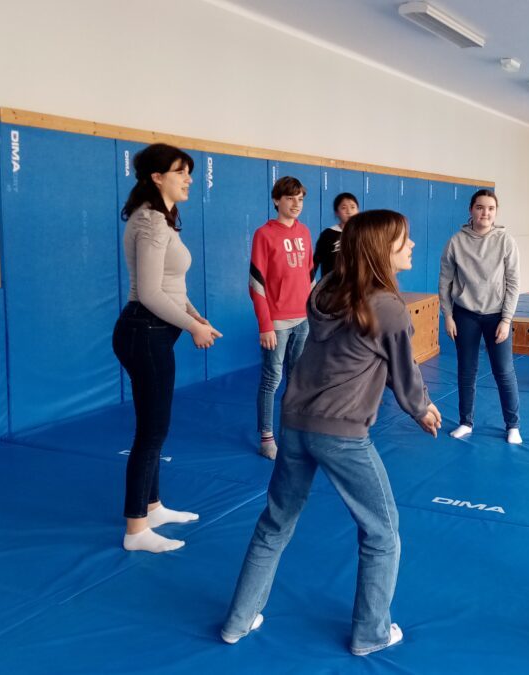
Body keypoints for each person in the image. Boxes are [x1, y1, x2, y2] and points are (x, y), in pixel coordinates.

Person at [221, 209, 442, 655]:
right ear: (383, 249)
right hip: (341, 434)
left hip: (296, 423)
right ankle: (371, 633)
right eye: (404, 240)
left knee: (274, 523)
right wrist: (423, 409)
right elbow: (405, 371)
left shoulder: (324, 290)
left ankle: (238, 621)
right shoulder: (386, 306)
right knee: (382, 533)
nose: (413, 245)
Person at [114, 143, 221, 554]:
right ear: (157, 177)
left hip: (157, 329)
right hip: (145, 330)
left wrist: (197, 316)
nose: (189, 179)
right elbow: (150, 294)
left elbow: (174, 288)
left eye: (188, 172)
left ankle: (152, 506)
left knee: (155, 427)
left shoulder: (162, 219)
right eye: (180, 171)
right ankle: (136, 529)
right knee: (152, 431)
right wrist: (193, 326)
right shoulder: (151, 224)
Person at [438, 189, 522, 444]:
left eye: (490, 208)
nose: (485, 213)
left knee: (504, 371)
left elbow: (513, 282)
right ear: (471, 210)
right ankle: (466, 422)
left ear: (496, 212)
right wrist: (448, 316)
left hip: (496, 315)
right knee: (466, 370)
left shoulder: (505, 241)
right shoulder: (456, 241)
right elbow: (444, 281)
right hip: (466, 315)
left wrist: (506, 320)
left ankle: (513, 424)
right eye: (480, 207)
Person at [249, 176, 314, 460]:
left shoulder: (305, 232)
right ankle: (267, 437)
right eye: (290, 198)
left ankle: (293, 433)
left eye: (300, 199)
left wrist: (313, 313)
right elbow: (256, 283)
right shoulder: (264, 234)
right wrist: (266, 325)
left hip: (303, 319)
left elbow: (310, 276)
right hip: (277, 322)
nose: (296, 204)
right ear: (277, 200)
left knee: (297, 379)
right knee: (272, 378)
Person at [313, 192, 359, 278]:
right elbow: (316, 260)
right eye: (344, 208)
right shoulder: (328, 234)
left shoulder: (363, 234)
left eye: (353, 207)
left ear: (358, 210)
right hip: (332, 287)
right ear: (337, 212)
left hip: (357, 287)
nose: (349, 211)